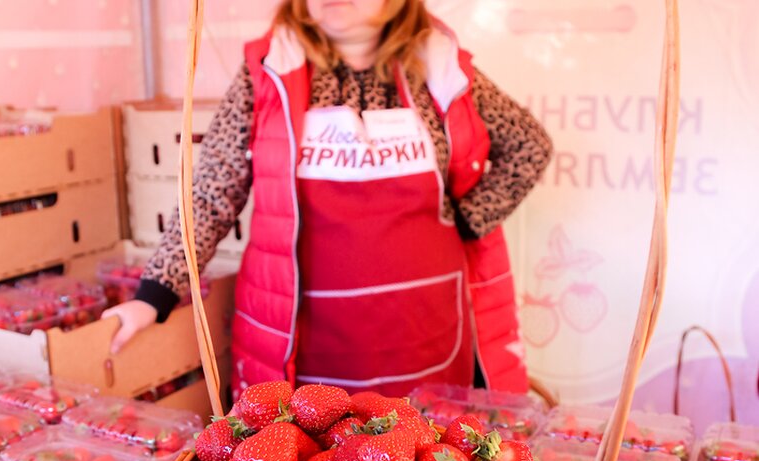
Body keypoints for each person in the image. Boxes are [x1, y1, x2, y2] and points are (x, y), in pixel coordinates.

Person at [103, 0, 553, 399]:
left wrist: (470, 219)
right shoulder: (267, 75)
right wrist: (153, 295)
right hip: (310, 346)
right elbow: (210, 194)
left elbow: (530, 145)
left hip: (429, 335)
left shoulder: (444, 70)